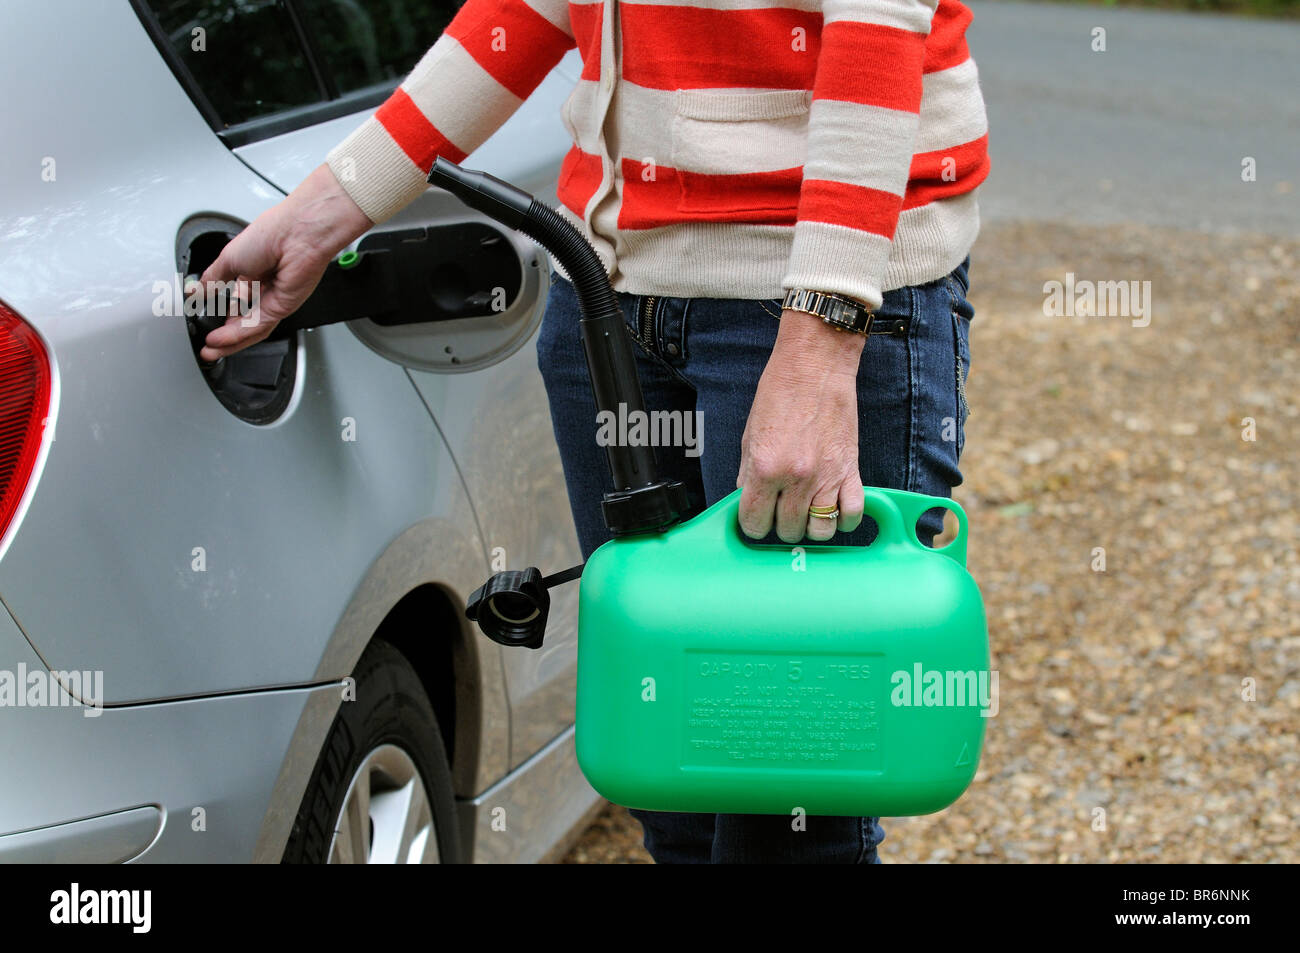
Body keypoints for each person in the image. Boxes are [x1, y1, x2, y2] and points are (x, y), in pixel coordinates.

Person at [201, 0, 989, 864]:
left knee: (790, 810)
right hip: (609, 297)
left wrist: (821, 341)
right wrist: (326, 208)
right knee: (672, 781)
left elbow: (876, 16)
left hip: (808, 294)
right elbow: (521, 12)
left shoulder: (817, 331)